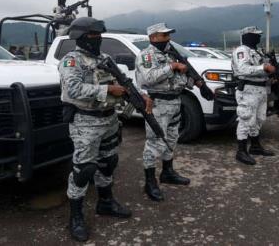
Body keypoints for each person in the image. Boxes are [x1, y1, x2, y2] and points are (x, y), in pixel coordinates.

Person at [58, 17, 135, 242]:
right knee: (84, 170)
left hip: (109, 119)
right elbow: (72, 90)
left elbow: (123, 82)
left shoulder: (105, 59)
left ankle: (106, 202)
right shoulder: (71, 61)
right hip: (85, 122)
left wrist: (135, 95)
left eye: (99, 35)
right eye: (93, 35)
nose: (97, 39)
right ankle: (76, 216)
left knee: (108, 163)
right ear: (81, 37)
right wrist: (108, 89)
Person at [135, 23, 199, 201]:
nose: (168, 38)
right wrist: (172, 67)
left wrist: (194, 82)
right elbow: (148, 78)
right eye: (164, 36)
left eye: (168, 35)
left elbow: (181, 78)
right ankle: (149, 181)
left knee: (172, 138)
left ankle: (167, 171)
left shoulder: (171, 54)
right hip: (157, 104)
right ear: (153, 37)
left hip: (175, 101)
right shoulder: (146, 55)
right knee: (154, 142)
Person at [231, 26, 276, 165]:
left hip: (261, 89)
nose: (258, 37)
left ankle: (255, 146)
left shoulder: (256, 51)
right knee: (246, 119)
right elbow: (242, 69)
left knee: (259, 119)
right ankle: (241, 151)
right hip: (248, 89)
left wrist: (270, 76)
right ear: (247, 36)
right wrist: (263, 68)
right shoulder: (242, 50)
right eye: (255, 35)